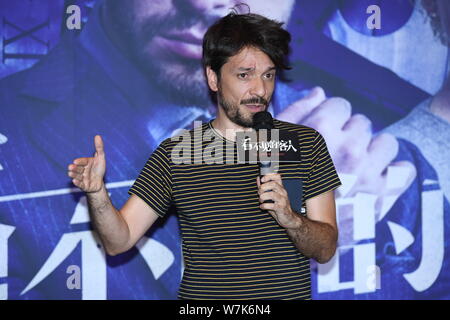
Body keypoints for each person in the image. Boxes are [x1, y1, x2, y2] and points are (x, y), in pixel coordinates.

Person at [68, 11, 342, 300]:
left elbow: (325, 249)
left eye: (268, 75)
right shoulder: (179, 152)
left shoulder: (303, 143)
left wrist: (291, 219)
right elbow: (118, 241)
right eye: (244, 75)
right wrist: (97, 194)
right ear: (213, 78)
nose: (260, 90)